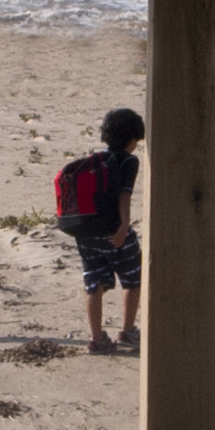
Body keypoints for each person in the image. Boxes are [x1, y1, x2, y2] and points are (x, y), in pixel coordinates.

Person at [79, 108, 145, 354]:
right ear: (133, 138)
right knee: (132, 280)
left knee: (94, 283)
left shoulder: (96, 160)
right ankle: (127, 332)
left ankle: (97, 339)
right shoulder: (129, 160)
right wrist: (124, 224)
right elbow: (124, 194)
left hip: (87, 233)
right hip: (114, 230)